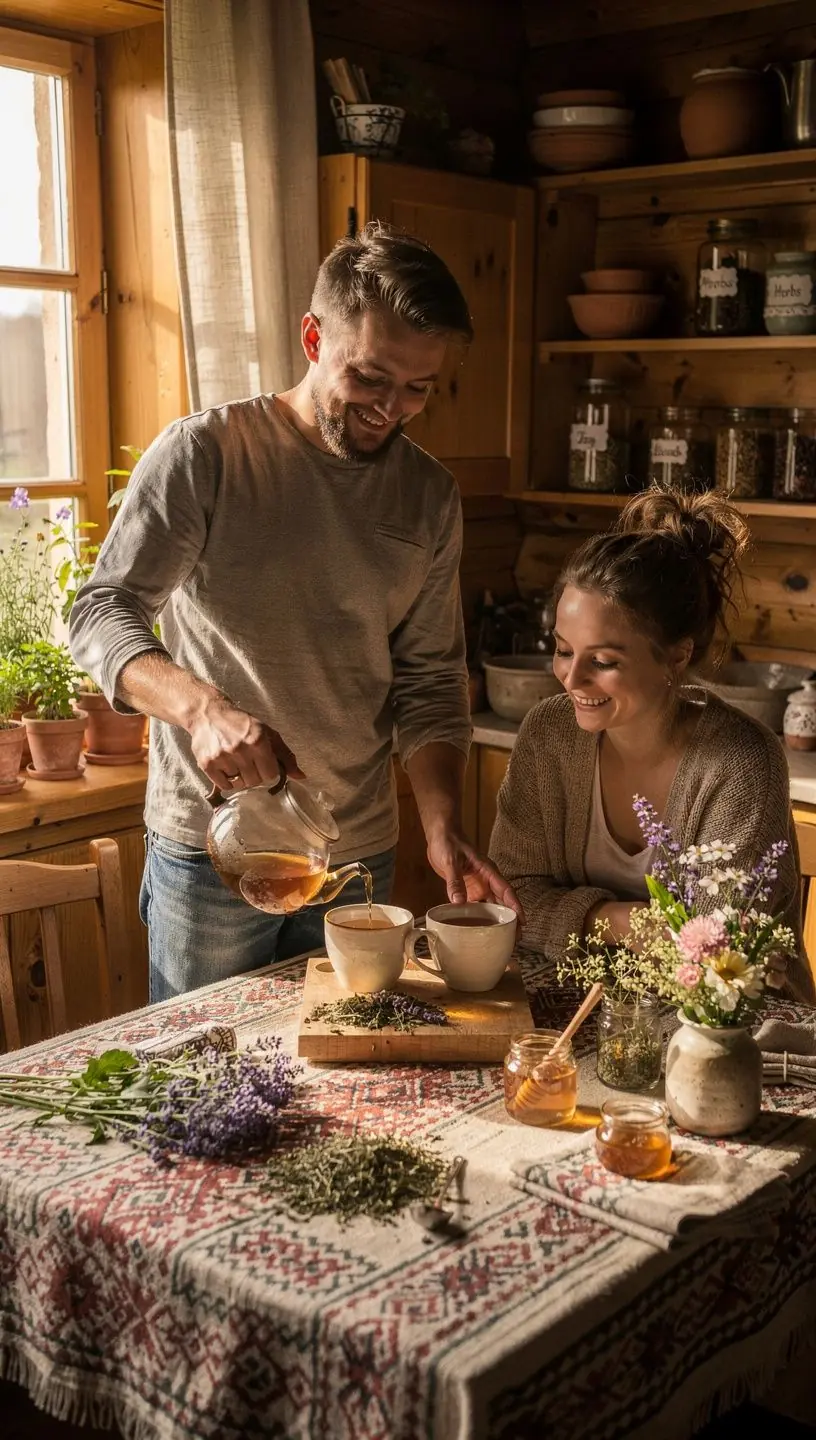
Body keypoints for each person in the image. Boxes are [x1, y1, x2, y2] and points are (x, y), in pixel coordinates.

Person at [70, 222, 519, 1001]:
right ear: (314, 338)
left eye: (419, 388)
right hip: (213, 849)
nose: (394, 409)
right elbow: (100, 610)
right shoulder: (207, 455)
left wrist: (441, 825)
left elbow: (430, 680)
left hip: (356, 860)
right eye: (372, 378)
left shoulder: (428, 497)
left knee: (339, 1081)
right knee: (200, 1079)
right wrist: (201, 709)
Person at [489, 488, 815, 1003]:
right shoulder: (548, 734)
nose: (571, 678)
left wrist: (575, 920)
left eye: (603, 661)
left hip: (740, 1033)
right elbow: (510, 902)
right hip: (586, 1004)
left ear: (677, 657)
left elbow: (720, 957)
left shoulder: (741, 763)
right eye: (563, 650)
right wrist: (619, 919)